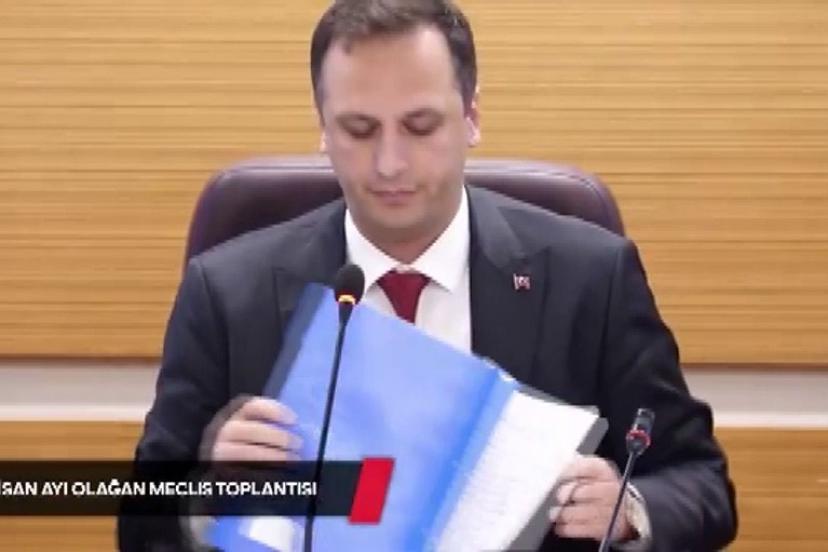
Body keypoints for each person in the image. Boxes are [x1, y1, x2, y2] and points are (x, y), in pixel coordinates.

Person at [120, 0, 737, 550]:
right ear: (322, 128)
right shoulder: (228, 292)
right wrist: (207, 493)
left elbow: (700, 482)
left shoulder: (591, 278)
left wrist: (630, 510)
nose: (390, 163)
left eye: (420, 127)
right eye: (359, 129)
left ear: (471, 117)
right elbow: (140, 521)